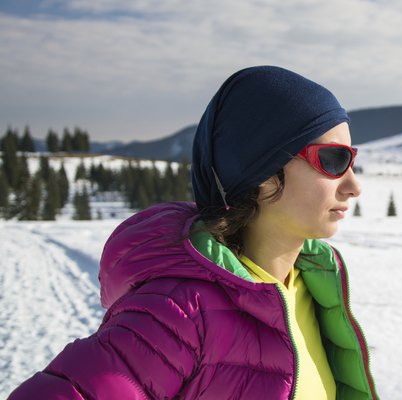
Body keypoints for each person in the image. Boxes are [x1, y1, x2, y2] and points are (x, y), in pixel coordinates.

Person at [9, 66, 379, 399]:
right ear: (264, 174)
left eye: (352, 159)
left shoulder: (314, 288)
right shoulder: (180, 313)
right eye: (333, 160)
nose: (353, 185)